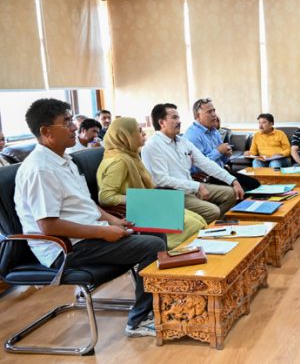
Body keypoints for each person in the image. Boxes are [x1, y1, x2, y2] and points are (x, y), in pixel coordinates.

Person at [14, 99, 164, 338]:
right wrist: (104, 232)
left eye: (72, 121)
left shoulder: (65, 160)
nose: (75, 127)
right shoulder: (40, 169)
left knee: (157, 226)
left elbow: (86, 203)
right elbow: (48, 225)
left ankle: (156, 305)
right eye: (66, 123)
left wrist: (111, 221)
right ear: (46, 132)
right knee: (152, 246)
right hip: (65, 249)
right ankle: (139, 321)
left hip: (87, 234)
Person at [97, 117, 207, 250]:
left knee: (198, 219)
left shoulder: (129, 155)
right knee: (193, 225)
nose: (143, 134)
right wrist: (142, 199)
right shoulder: (119, 161)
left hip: (147, 205)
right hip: (135, 212)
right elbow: (105, 197)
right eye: (138, 131)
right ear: (126, 136)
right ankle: (179, 260)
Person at [141, 103, 244, 224]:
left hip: (191, 188)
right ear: (161, 123)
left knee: (232, 194)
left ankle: (210, 228)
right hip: (173, 195)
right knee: (213, 211)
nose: (179, 121)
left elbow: (206, 163)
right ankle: (203, 231)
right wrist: (196, 186)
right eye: (174, 118)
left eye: (179, 118)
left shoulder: (182, 141)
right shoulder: (153, 146)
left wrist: (233, 180)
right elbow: (160, 180)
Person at [184, 98, 260, 191]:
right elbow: (198, 166)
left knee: (255, 184)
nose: (214, 115)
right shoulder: (193, 135)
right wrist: (218, 151)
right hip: (207, 176)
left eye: (214, 111)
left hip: (221, 171)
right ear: (197, 116)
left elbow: (221, 160)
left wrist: (226, 155)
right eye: (209, 112)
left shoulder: (214, 131)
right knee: (243, 190)